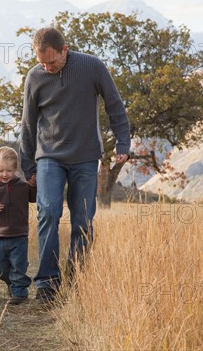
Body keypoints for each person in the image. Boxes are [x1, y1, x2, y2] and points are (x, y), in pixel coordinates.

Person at [19, 27, 130, 303]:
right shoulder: (35, 76)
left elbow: (115, 105)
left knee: (82, 220)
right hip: (49, 156)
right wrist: (27, 166)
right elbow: (28, 124)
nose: (47, 66)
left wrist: (123, 143)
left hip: (85, 155)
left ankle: (77, 278)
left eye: (52, 61)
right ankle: (47, 283)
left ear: (64, 50)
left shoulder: (92, 66)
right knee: (48, 213)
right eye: (42, 62)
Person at [0, 146, 37, 305]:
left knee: (18, 265)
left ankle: (19, 293)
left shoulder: (21, 186)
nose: (5, 174)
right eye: (1, 170)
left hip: (19, 234)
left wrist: (33, 186)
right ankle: (11, 281)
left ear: (15, 170)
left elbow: (33, 198)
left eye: (9, 171)